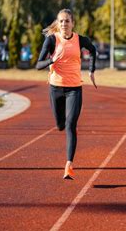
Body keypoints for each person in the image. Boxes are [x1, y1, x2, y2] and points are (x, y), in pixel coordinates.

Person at [36, 9, 97, 180]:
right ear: (58, 23)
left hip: (74, 89)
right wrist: (51, 60)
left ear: (73, 23)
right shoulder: (51, 40)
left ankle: (69, 165)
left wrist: (91, 70)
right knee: (60, 125)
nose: (64, 24)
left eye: (67, 21)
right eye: (61, 21)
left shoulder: (80, 40)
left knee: (71, 125)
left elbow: (93, 50)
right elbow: (38, 65)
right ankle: (60, 125)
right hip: (55, 88)